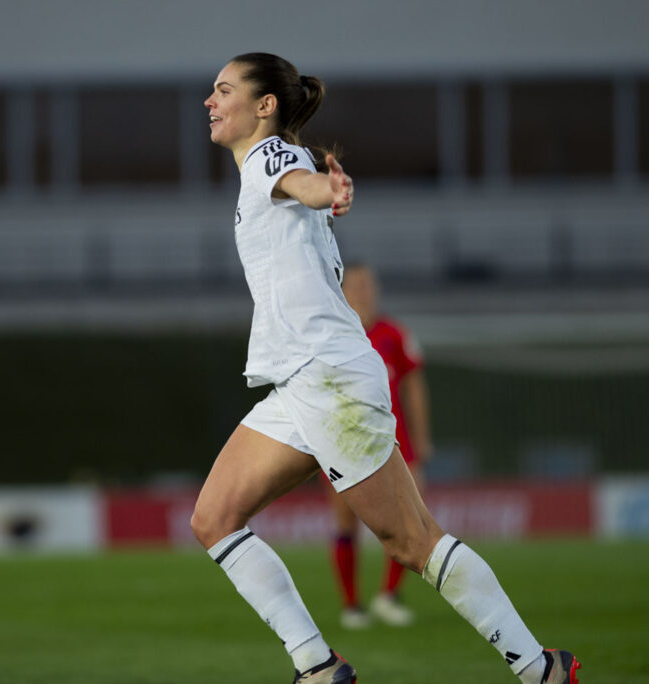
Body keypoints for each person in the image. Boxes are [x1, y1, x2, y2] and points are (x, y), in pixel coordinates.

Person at [190, 52, 580, 684]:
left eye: (223, 90)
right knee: (214, 519)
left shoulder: (270, 156)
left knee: (411, 542)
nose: (209, 101)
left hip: (330, 379)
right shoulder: (269, 167)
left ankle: (540, 669)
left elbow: (302, 179)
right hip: (302, 384)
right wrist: (324, 186)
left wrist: (326, 187)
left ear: (264, 107)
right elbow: (306, 184)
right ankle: (317, 666)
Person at [327, 263, 432, 630]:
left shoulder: (393, 334)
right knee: (346, 521)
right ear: (341, 289)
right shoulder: (332, 334)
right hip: (345, 444)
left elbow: (414, 386)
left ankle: (388, 596)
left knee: (411, 520)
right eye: (355, 284)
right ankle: (351, 605)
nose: (363, 290)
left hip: (397, 442)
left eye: (369, 283)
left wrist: (422, 438)